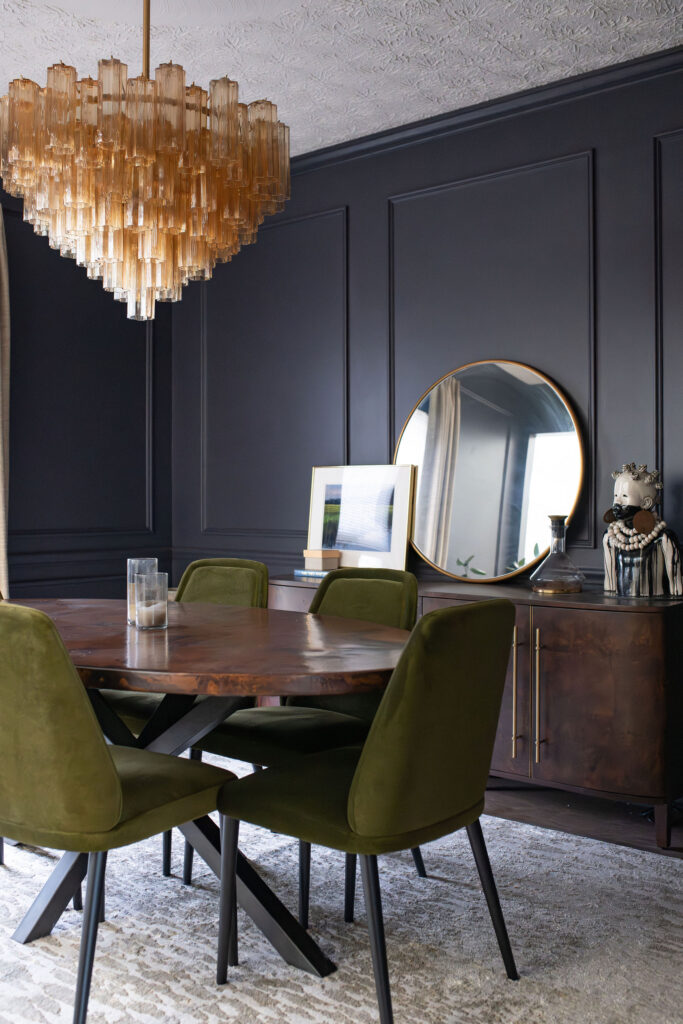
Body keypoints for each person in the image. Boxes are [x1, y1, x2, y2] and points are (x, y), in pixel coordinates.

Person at [603, 463, 682, 597]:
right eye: (616, 495)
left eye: (625, 496)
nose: (617, 502)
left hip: (653, 605)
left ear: (646, 503)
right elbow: (610, 585)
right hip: (620, 606)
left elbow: (677, 588)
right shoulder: (610, 537)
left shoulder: (662, 538)